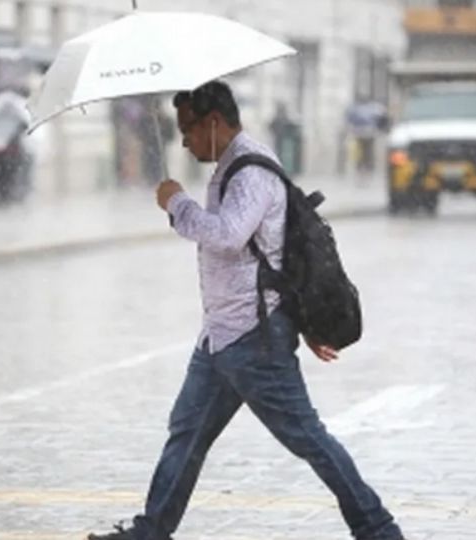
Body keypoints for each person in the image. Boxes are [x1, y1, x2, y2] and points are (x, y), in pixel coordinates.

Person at [88, 81, 404, 540]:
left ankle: (378, 528)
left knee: (307, 438)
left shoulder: (250, 171)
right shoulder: (230, 165)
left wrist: (177, 203)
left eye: (188, 131)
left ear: (213, 123)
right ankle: (151, 531)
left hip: (254, 339)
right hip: (221, 336)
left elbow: (229, 235)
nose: (184, 141)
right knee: (187, 432)